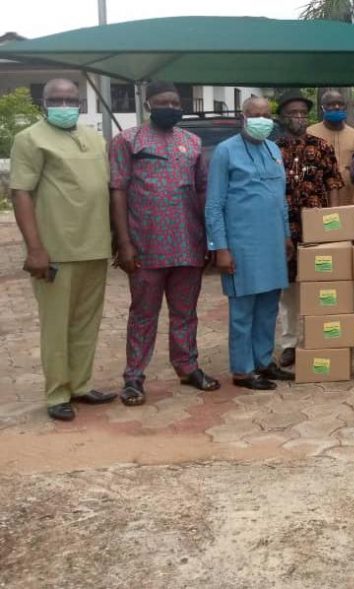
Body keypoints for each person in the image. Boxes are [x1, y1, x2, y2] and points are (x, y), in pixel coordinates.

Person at [9, 78, 117, 421]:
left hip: (95, 246)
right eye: (56, 99)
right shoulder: (30, 139)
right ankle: (57, 393)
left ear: (81, 103)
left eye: (71, 99)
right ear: (43, 102)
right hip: (55, 251)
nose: (65, 104)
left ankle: (81, 385)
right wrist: (35, 248)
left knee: (87, 323)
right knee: (56, 326)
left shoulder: (95, 138)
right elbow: (21, 193)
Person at [109, 81, 221, 406]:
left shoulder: (193, 142)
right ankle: (133, 376)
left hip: (188, 243)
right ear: (148, 105)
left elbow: (202, 191)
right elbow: (117, 190)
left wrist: (209, 240)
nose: (170, 107)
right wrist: (123, 243)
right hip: (146, 245)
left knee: (185, 313)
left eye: (175, 102)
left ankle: (188, 367)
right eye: (163, 102)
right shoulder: (127, 140)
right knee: (143, 314)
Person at [206, 96, 295, 390]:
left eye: (266, 114)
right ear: (243, 117)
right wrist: (220, 247)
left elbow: (280, 199)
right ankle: (243, 371)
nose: (261, 119)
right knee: (243, 310)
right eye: (255, 114)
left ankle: (263, 361)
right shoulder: (225, 151)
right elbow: (214, 204)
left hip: (272, 243)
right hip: (241, 245)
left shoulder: (273, 149)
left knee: (269, 306)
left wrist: (285, 235)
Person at [275, 91, 343, 368]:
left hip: (317, 228)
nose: (299, 118)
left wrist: (333, 223)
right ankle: (289, 343)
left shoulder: (322, 146)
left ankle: (323, 336)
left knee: (322, 285)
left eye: (303, 113)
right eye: (293, 113)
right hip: (284, 228)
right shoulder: (272, 148)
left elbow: (334, 184)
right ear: (282, 117)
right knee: (289, 290)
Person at [306, 89, 354, 206]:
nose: (336, 107)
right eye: (330, 104)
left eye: (340, 104)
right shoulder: (310, 133)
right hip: (320, 196)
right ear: (323, 107)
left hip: (350, 197)